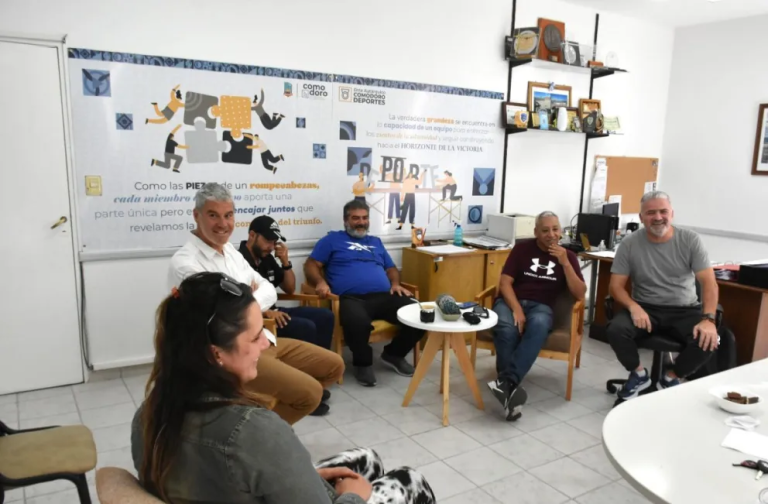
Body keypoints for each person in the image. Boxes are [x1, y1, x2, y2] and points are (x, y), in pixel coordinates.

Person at [131, 272, 436, 504]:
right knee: (409, 480)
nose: (266, 344)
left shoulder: (148, 414)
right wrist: (353, 496)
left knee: (366, 459)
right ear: (216, 354)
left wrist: (301, 478)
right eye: (255, 338)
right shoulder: (254, 431)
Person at [169, 183, 343, 421]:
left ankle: (263, 414)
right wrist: (247, 298)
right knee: (310, 395)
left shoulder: (230, 252)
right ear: (196, 216)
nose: (223, 223)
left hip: (264, 338)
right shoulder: (185, 263)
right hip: (229, 355)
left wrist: (242, 299)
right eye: (213, 215)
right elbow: (222, 316)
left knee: (335, 366)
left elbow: (269, 290)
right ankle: (254, 430)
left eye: (228, 215)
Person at [607, 191, 719, 400]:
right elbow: (615, 286)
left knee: (710, 339)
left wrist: (709, 319)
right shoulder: (629, 244)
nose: (658, 217)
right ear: (641, 217)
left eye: (663, 211)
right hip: (645, 307)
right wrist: (633, 307)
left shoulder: (690, 240)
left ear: (672, 214)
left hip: (684, 310)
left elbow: (709, 283)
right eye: (651, 213)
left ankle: (671, 378)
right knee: (616, 330)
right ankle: (639, 375)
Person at [306, 199, 424, 386]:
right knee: (357, 323)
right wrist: (320, 282)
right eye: (356, 218)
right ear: (346, 220)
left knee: (421, 314)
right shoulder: (331, 240)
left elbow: (391, 268)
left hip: (384, 296)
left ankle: (394, 354)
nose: (361, 222)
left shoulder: (376, 242)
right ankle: (363, 364)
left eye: (364, 218)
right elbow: (311, 264)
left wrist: (395, 283)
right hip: (351, 298)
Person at [488, 211, 586, 421]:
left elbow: (580, 293)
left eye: (555, 229)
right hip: (510, 302)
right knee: (506, 328)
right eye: (545, 230)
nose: (551, 234)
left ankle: (507, 382)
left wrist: (565, 263)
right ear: (536, 232)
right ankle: (509, 390)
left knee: (540, 324)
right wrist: (517, 309)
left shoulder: (568, 256)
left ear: (561, 231)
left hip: (541, 307)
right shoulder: (522, 249)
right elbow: (505, 283)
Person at [238, 215, 335, 350]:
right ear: (252, 235)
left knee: (325, 316)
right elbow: (237, 303)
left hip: (276, 311)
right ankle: (307, 362)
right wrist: (265, 312)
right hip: (258, 318)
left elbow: (290, 289)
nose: (271, 247)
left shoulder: (266, 257)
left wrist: (285, 261)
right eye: (268, 241)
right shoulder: (237, 260)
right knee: (306, 327)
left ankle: (322, 361)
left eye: (274, 242)